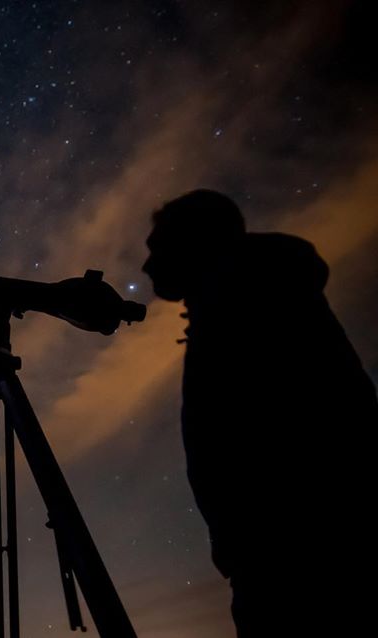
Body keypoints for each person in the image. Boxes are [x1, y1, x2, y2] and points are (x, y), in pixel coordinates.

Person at [141, 190, 377, 636]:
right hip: (280, 553)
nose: (147, 266)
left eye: (157, 248)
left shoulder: (250, 307)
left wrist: (251, 542)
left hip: (299, 557)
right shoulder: (242, 301)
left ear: (196, 241)